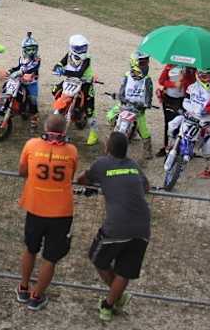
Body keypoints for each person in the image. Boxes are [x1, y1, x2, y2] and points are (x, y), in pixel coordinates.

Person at [76, 132, 151, 322]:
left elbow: (81, 180)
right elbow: (146, 187)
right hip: (142, 227)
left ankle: (114, 298)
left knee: (98, 259)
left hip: (117, 226)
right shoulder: (134, 166)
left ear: (107, 148)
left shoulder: (102, 164)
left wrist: (98, 183)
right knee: (124, 271)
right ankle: (109, 305)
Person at [16, 114, 78, 311]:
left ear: (45, 127)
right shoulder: (71, 151)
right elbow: (72, 174)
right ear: (64, 131)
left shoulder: (32, 145)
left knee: (30, 249)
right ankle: (37, 296)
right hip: (61, 212)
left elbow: (22, 171)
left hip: (35, 207)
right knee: (50, 258)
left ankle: (23, 287)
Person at [166, 67, 210, 177]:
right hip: (190, 114)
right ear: (199, 75)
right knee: (173, 124)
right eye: (206, 76)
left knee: (206, 142)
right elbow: (186, 100)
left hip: (205, 119)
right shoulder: (192, 87)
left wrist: (203, 111)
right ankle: (172, 143)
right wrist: (190, 109)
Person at [106, 51, 154, 159]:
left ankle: (147, 149)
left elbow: (149, 94)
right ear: (134, 63)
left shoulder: (147, 79)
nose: (145, 66)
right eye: (142, 63)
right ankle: (113, 133)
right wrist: (120, 96)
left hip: (138, 108)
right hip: (125, 104)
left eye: (146, 63)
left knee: (144, 130)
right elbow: (122, 88)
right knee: (109, 116)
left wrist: (147, 104)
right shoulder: (127, 75)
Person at [52, 34, 99, 145]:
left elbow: (79, 73)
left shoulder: (87, 58)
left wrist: (63, 72)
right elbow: (60, 63)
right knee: (55, 90)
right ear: (72, 48)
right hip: (71, 81)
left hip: (85, 82)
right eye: (79, 48)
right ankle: (61, 111)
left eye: (84, 48)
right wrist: (57, 67)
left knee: (90, 109)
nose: (82, 50)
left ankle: (94, 133)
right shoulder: (69, 55)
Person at [156, 64, 195, 157]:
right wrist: (174, 84)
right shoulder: (169, 66)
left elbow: (193, 83)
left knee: (183, 123)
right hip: (168, 99)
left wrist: (184, 79)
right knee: (168, 123)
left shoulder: (191, 68)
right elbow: (161, 81)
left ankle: (182, 147)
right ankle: (166, 146)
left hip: (182, 100)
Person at [6, 32, 41, 128]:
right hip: (21, 81)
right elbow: (19, 67)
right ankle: (7, 106)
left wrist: (22, 72)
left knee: (33, 99)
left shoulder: (37, 60)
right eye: (29, 50)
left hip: (31, 83)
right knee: (9, 89)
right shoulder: (22, 58)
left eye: (33, 49)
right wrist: (11, 70)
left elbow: (32, 68)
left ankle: (34, 117)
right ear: (24, 50)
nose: (31, 52)